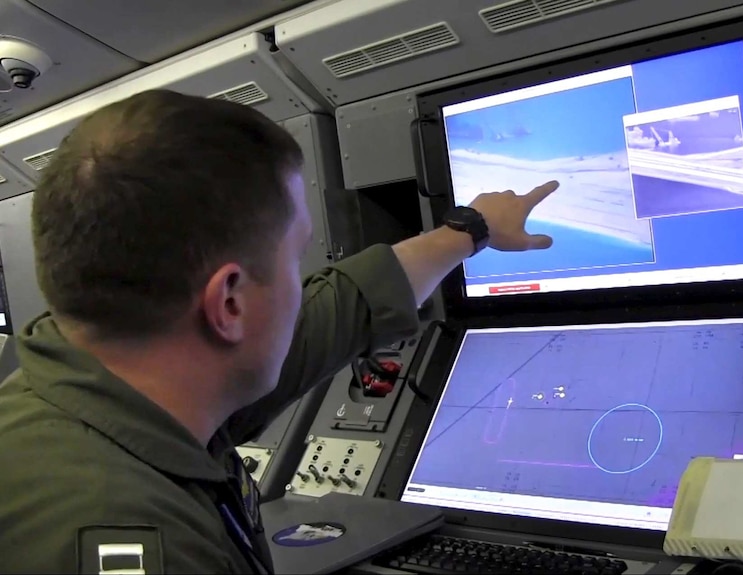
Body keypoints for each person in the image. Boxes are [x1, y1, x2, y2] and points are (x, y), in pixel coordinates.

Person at [0, 89, 559, 574]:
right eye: (295, 259)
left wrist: (473, 229)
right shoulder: (129, 531)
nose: (303, 284)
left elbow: (343, 307)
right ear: (230, 303)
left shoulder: (121, 381)